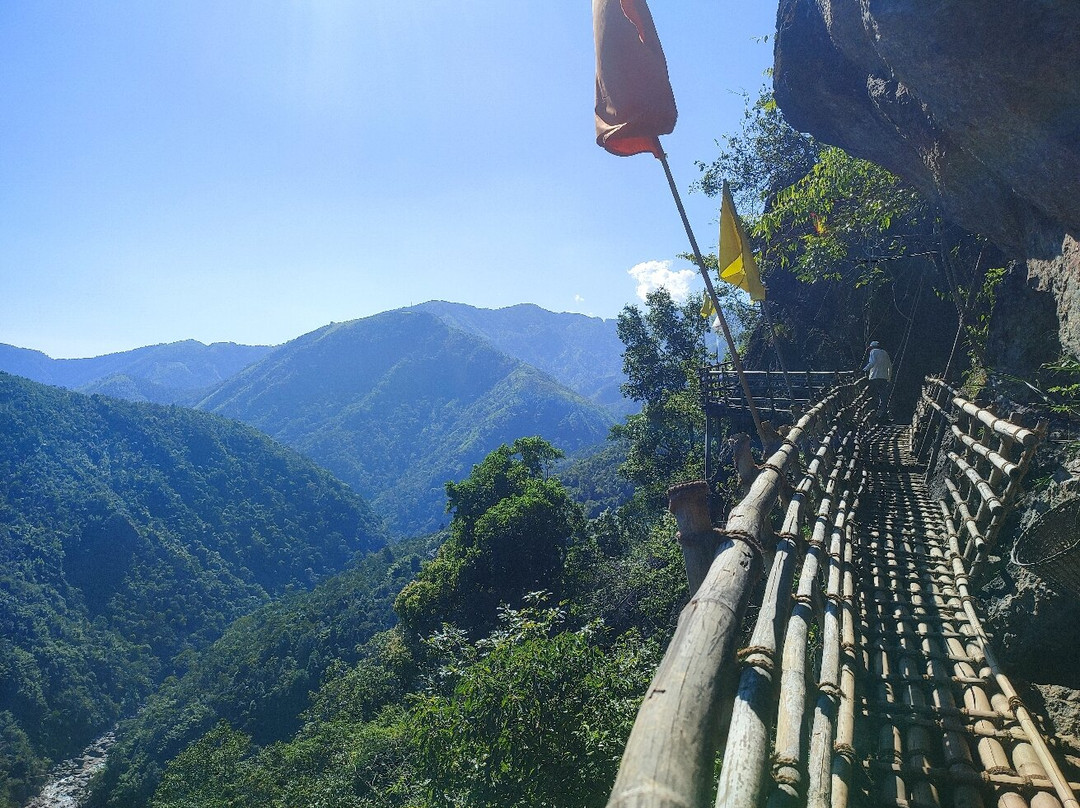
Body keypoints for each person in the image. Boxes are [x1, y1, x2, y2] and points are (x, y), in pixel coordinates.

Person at [862, 340, 892, 420]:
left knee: (873, 395)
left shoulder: (873, 352)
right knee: (883, 396)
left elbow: (872, 362)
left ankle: (875, 414)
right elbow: (890, 366)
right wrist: (889, 378)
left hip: (874, 377)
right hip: (884, 377)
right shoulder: (885, 353)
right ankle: (883, 414)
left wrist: (864, 370)